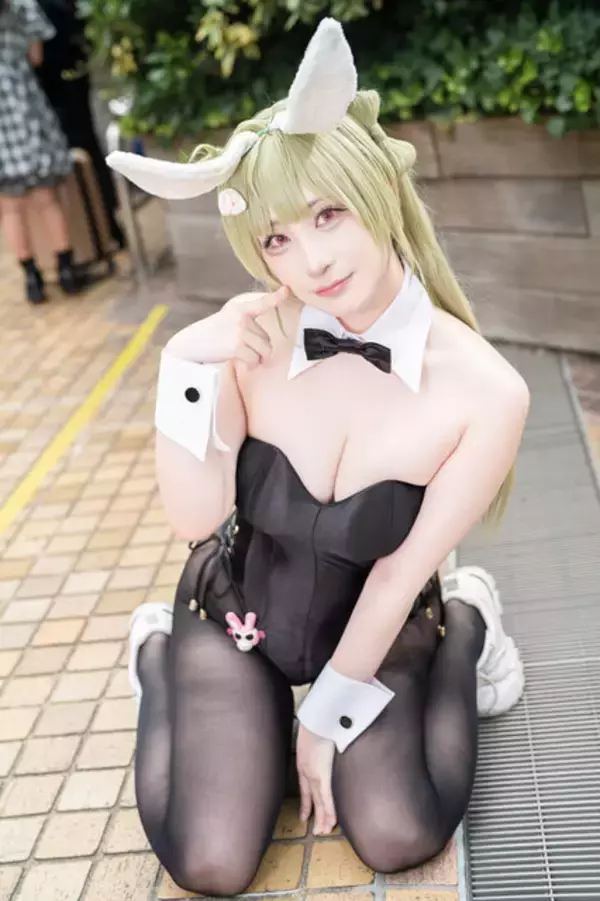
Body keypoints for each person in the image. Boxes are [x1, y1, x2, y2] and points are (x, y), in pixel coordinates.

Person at [107, 18, 530, 896]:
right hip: (239, 609)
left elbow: (399, 569)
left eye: (327, 213)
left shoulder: (487, 391)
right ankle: (158, 655)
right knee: (211, 860)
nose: (312, 260)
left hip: (377, 616)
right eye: (277, 240)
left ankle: (472, 623)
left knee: (398, 829)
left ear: (376, 190)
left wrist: (324, 719)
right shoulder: (256, 338)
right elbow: (194, 517)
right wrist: (184, 365)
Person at [0, 0, 85, 303]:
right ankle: (66, 271)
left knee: (10, 207)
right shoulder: (22, 5)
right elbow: (36, 57)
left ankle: (32, 280)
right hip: (24, 105)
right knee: (46, 199)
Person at [35, 0, 126, 250]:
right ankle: (106, 225)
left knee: (78, 153)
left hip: (55, 80)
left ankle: (99, 231)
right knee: (86, 147)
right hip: (70, 67)